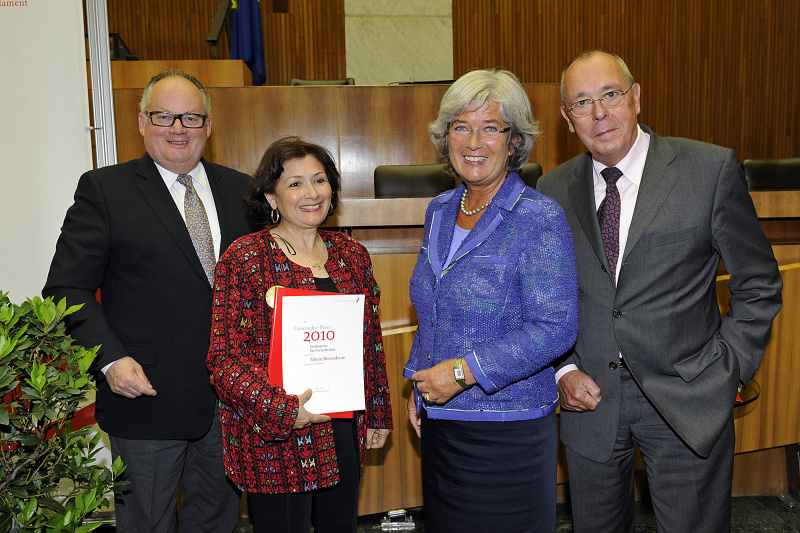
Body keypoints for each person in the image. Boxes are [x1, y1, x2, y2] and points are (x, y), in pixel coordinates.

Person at [537, 50, 783, 533]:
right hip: (590, 403)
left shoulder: (708, 169)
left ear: (636, 97)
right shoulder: (552, 190)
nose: (599, 112)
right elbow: (544, 298)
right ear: (567, 118)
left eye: (610, 94)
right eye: (582, 102)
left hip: (688, 399)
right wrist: (563, 368)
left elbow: (758, 282)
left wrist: (726, 370)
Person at [43, 69, 249, 532]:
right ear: (141, 122)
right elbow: (66, 288)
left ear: (208, 126)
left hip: (230, 402)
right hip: (144, 396)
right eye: (163, 116)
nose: (178, 128)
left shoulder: (243, 190)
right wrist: (110, 360)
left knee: (217, 522)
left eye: (191, 117)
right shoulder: (105, 189)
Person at [404, 69, 579, 532]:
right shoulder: (440, 209)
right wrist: (418, 385)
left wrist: (461, 373)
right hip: (441, 423)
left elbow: (556, 328)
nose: (474, 141)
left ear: (514, 140)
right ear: (445, 137)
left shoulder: (539, 217)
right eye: (461, 126)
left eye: (490, 128)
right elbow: (432, 307)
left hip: (508, 431)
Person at [207, 136, 393, 533]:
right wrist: (284, 410)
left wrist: (378, 410)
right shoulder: (245, 258)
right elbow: (225, 360)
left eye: (319, 180)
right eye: (295, 183)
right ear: (270, 197)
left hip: (343, 426)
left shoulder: (352, 255)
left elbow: (369, 342)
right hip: (276, 435)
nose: (312, 193)